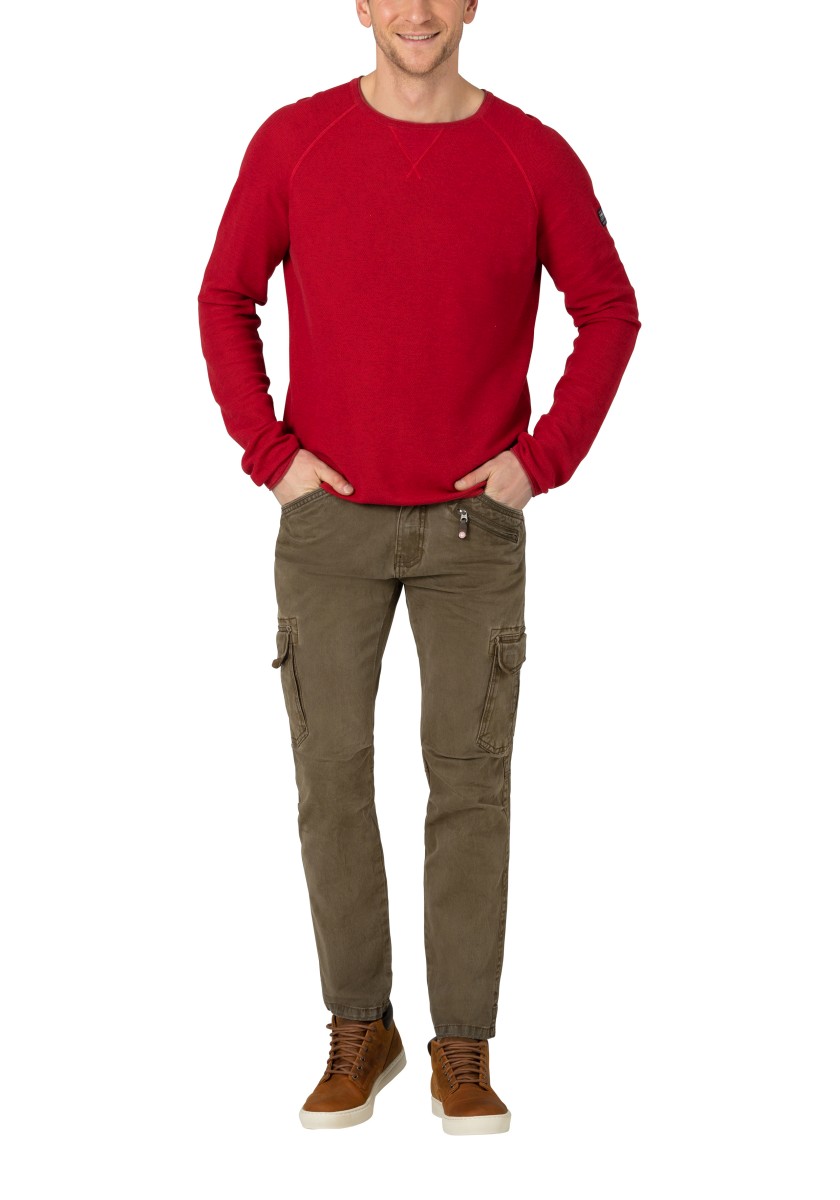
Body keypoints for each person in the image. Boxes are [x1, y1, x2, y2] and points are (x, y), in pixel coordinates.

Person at [197, 0, 640, 1136]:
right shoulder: (293, 141)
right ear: (359, 4)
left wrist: (541, 461)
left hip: (471, 533)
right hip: (330, 527)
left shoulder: (532, 154)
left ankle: (463, 1046)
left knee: (471, 785)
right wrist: (271, 455)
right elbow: (225, 296)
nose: (418, 11)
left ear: (474, 1)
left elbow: (609, 310)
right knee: (332, 780)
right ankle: (361, 1026)